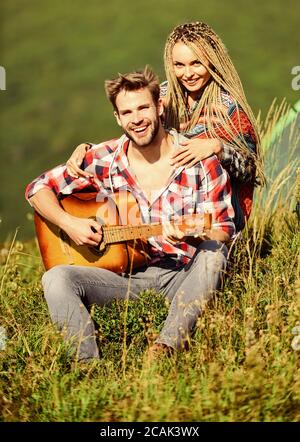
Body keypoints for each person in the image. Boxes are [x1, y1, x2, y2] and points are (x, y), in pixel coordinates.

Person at [25, 66, 235, 362]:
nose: (136, 119)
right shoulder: (103, 159)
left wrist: (195, 233)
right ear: (117, 118)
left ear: (159, 107)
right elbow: (38, 189)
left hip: (186, 275)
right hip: (128, 278)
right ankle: (87, 367)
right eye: (127, 112)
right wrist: (69, 223)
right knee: (56, 278)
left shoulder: (199, 161)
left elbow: (223, 228)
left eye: (143, 108)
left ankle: (167, 346)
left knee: (215, 255)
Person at [66, 22, 264, 232]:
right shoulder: (163, 96)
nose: (188, 74)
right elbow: (137, 136)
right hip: (170, 200)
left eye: (196, 63)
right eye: (179, 65)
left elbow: (249, 171)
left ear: (212, 61)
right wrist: (88, 150)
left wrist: (217, 148)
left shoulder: (228, 109)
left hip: (217, 210)